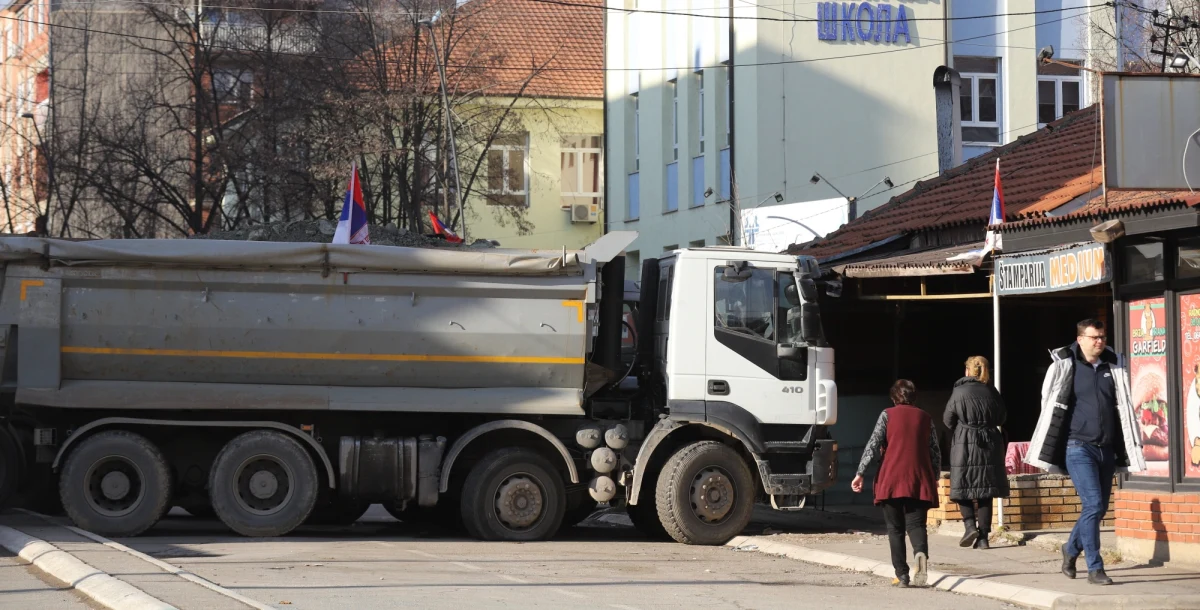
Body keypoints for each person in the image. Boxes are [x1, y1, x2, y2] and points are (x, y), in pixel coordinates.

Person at [1025, 319, 1146, 586]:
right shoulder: (1064, 365)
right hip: (1077, 446)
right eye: (1094, 337)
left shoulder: (1113, 365)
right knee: (1092, 505)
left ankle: (1070, 549)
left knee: (1099, 508)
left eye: (1102, 336)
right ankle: (1095, 567)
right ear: (1080, 339)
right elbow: (1049, 403)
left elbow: (1123, 405)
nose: (1100, 341)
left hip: (1106, 448)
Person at [852, 379, 941, 588]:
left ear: (894, 397)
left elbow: (873, 444)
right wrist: (934, 477)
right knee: (916, 525)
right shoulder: (926, 418)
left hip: (890, 478)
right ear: (914, 397)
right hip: (919, 478)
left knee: (895, 529)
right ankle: (920, 553)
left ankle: (902, 574)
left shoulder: (887, 415)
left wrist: (860, 472)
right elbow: (935, 451)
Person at [944, 355, 1010, 550]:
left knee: (961, 486)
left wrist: (963, 426)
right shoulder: (992, 392)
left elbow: (948, 420)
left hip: (965, 441)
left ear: (967, 371)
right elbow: (1002, 417)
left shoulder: (958, 391)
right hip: (990, 442)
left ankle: (969, 525)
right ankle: (983, 538)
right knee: (985, 491)